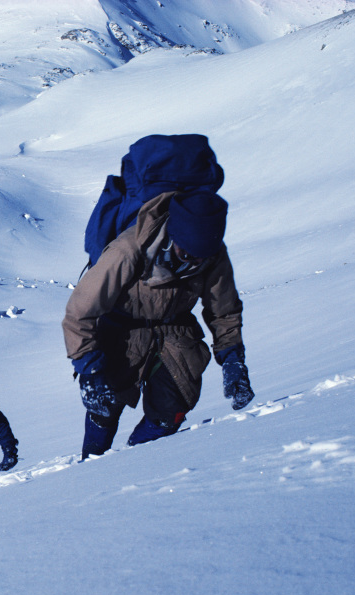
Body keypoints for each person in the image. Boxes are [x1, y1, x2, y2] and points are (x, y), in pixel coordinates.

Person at [62, 189, 254, 459]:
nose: (194, 263)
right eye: (187, 255)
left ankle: (140, 463)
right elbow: (80, 311)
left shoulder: (212, 253)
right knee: (104, 407)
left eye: (202, 259)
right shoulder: (128, 250)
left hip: (177, 333)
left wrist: (233, 358)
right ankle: (90, 465)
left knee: (169, 412)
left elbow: (223, 310)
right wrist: (89, 370)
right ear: (173, 237)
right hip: (120, 332)